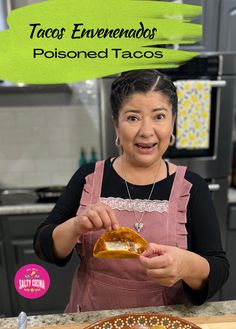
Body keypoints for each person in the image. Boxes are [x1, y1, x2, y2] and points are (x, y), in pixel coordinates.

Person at [33, 69, 229, 312]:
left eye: (159, 116)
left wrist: (186, 265)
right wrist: (76, 226)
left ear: (173, 121)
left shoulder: (192, 187)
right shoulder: (88, 177)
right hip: (92, 325)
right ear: (116, 124)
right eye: (133, 118)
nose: (147, 131)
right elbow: (44, 245)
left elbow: (219, 268)